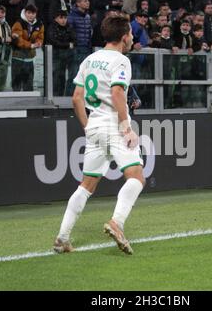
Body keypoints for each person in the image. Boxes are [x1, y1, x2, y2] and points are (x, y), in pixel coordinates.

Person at [54, 14, 145, 255]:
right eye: (131, 34)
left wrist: (87, 126)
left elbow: (76, 97)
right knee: (136, 176)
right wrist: (126, 126)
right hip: (113, 124)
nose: (132, 37)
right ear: (124, 37)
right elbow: (117, 94)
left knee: (86, 186)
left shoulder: (90, 59)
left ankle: (62, 238)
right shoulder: (121, 61)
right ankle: (117, 222)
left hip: (94, 123)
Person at [11, 4, 44, 92]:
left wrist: (39, 43)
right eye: (29, 13)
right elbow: (18, 40)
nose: (31, 15)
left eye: (33, 13)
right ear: (25, 13)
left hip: (29, 58)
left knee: (29, 85)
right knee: (16, 84)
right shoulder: (18, 23)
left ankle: (29, 104)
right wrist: (31, 45)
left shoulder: (39, 24)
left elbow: (40, 37)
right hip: (17, 57)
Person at [46, 10, 75, 97]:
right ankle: (53, 97)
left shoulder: (69, 27)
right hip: (55, 56)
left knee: (62, 77)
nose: (63, 20)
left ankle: (61, 96)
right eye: (61, 18)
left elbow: (74, 40)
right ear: (56, 18)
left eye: (65, 18)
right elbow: (53, 41)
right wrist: (67, 44)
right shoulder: (52, 27)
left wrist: (64, 44)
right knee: (55, 77)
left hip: (66, 56)